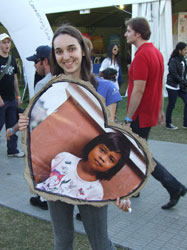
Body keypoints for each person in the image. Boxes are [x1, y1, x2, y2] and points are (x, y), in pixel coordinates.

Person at [19, 24, 131, 250]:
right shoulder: (47, 89)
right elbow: (37, 135)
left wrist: (122, 186)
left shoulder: (103, 88)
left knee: (100, 243)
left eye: (71, 49)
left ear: (82, 50)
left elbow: (112, 139)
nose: (65, 56)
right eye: (59, 51)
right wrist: (25, 125)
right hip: (59, 173)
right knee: (62, 241)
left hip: (93, 180)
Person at [124, 17, 187, 209]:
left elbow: (139, 90)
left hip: (140, 114)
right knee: (136, 151)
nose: (126, 33)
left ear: (138, 33)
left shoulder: (143, 55)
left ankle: (173, 186)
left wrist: (128, 117)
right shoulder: (156, 53)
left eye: (128, 30)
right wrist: (159, 109)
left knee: (139, 152)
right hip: (148, 112)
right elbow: (158, 84)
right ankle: (136, 187)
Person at [6, 45, 52, 210]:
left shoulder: (43, 84)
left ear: (45, 61)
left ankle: (44, 199)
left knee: (43, 167)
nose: (34, 65)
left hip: (45, 135)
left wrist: (13, 130)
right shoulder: (64, 79)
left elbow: (34, 117)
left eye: (36, 61)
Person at [36, 132, 130, 200]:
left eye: (111, 159)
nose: (103, 158)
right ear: (93, 145)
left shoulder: (96, 191)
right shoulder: (64, 158)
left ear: (113, 168)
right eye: (102, 150)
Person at [0, 33, 24, 157]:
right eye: (4, 42)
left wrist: (18, 96)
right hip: (1, 99)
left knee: (12, 124)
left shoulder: (12, 59)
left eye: (8, 42)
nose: (7, 45)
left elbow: (15, 78)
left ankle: (12, 150)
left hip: (11, 99)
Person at [165, 42, 187, 130]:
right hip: (172, 86)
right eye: (185, 49)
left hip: (181, 86)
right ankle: (168, 123)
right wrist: (183, 82)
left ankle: (186, 123)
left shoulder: (182, 60)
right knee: (172, 104)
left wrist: (184, 82)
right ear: (180, 50)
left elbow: (183, 74)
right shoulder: (173, 60)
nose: (186, 51)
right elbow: (174, 74)